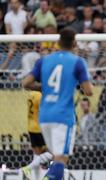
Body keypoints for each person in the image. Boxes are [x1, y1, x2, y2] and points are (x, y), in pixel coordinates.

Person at [22, 28, 93, 180]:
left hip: (45, 116)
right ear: (74, 44)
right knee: (61, 159)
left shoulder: (44, 60)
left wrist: (44, 88)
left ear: (58, 42)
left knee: (55, 157)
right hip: (63, 117)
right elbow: (88, 91)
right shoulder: (78, 62)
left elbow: (26, 83)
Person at [22, 91, 53, 180]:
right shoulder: (41, 96)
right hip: (40, 128)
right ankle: (28, 168)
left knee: (37, 156)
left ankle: (36, 178)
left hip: (31, 127)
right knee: (54, 153)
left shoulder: (31, 94)